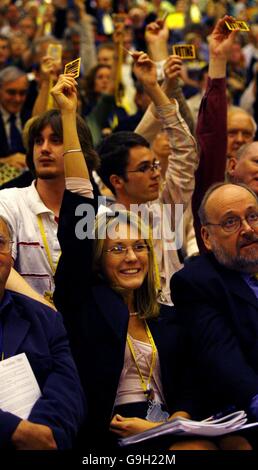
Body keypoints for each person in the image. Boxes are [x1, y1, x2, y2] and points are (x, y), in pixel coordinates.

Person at [51, 72, 222, 452]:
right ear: (97, 260)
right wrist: (68, 115)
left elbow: (189, 383)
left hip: (164, 429)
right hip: (110, 438)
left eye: (140, 247)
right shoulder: (85, 303)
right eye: (117, 249)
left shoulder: (166, 314)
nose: (132, 257)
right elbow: (79, 199)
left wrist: (179, 417)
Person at [97, 51, 198, 306]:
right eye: (144, 168)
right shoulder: (98, 225)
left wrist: (154, 88)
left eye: (154, 165)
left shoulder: (166, 207)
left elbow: (186, 149)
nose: (155, 173)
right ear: (117, 181)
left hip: (172, 314)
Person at [171, 181, 258, 448]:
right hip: (242, 411)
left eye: (253, 216)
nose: (248, 229)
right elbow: (224, 359)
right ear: (207, 238)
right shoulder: (197, 282)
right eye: (231, 222)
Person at [0, 215, 85, 449]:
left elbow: (69, 393)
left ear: (11, 253)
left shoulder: (44, 319)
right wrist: (13, 431)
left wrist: (43, 433)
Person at [0, 109, 99, 302]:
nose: (44, 148)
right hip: (22, 323)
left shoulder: (98, 214)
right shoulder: (7, 201)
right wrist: (48, 313)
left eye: (56, 140)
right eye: (38, 141)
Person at [0, 66, 29, 168]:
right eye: (11, 92)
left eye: (22, 93)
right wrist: (4, 161)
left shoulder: (29, 116)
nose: (17, 99)